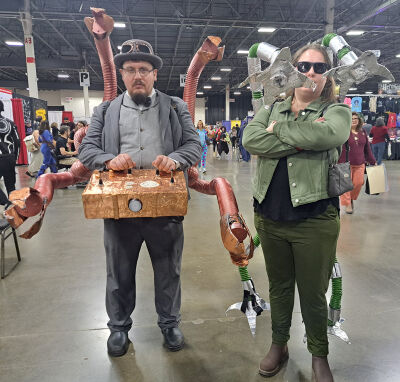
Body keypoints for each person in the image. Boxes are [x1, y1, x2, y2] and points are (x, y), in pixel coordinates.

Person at [79, 39, 202, 357]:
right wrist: (109, 159)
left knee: (168, 270)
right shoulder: (105, 111)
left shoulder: (176, 107)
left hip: (166, 205)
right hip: (120, 207)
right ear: (121, 74)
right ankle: (118, 328)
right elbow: (87, 149)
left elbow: (193, 145)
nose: (138, 75)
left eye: (144, 70)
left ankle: (170, 323)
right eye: (131, 69)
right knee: (118, 272)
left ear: (155, 74)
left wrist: (175, 159)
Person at [243, 44, 351, 382]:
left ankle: (319, 353)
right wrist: (304, 139)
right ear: (293, 69)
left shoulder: (336, 111)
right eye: (304, 65)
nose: (311, 73)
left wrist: (276, 132)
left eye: (320, 68)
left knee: (313, 292)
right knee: (279, 287)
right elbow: (250, 139)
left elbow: (330, 134)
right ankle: (279, 344)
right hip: (270, 217)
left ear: (328, 75)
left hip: (315, 220)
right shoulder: (271, 108)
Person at [339, 112, 376, 214]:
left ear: (359, 120)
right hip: (345, 164)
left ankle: (350, 198)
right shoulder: (343, 132)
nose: (354, 120)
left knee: (358, 183)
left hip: (360, 163)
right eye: (351, 118)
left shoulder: (363, 132)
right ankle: (347, 204)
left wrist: (373, 161)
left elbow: (367, 149)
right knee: (346, 186)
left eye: (356, 118)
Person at [0, 100, 20, 196]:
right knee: (11, 186)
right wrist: (15, 157)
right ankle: (13, 208)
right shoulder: (10, 123)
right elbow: (17, 141)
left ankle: (5, 203)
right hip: (9, 157)